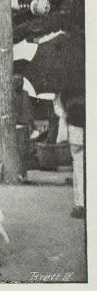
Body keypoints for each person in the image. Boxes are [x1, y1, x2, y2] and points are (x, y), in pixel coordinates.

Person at [55, 89, 85, 219]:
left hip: (76, 128)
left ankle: (81, 204)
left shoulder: (66, 86)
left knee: (79, 168)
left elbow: (60, 110)